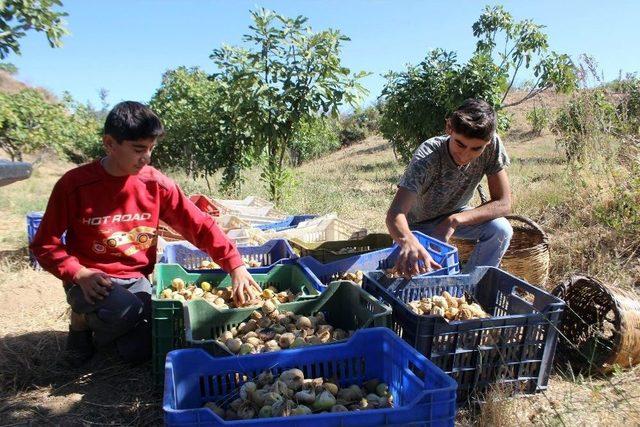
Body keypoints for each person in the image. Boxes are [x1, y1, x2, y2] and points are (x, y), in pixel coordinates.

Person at [30, 101, 261, 366]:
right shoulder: (75, 185)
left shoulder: (155, 184)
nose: (147, 157)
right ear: (109, 144)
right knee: (125, 313)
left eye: (151, 149)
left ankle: (111, 324)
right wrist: (78, 273)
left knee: (141, 351)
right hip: (91, 278)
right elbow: (44, 244)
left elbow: (198, 225)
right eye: (139, 149)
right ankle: (80, 322)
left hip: (135, 277)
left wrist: (235, 265)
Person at [386, 98, 513, 276]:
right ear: (449, 128)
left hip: (457, 214)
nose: (465, 155)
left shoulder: (492, 145)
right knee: (412, 274)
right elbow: (395, 214)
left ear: (489, 142)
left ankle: (469, 287)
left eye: (476, 149)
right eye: (460, 144)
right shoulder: (428, 156)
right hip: (418, 226)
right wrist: (408, 241)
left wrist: (454, 220)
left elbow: (503, 203)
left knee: (501, 230)